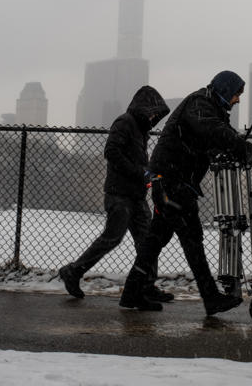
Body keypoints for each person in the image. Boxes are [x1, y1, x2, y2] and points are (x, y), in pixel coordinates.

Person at [119, 71, 252, 315]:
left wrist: (238, 152)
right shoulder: (199, 105)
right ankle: (209, 297)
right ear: (223, 90)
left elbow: (213, 140)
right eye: (235, 94)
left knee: (156, 240)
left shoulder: (209, 107)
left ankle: (132, 292)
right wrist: (247, 151)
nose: (237, 100)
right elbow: (214, 132)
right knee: (191, 239)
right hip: (173, 182)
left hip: (174, 181)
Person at [59, 85, 171, 301]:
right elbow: (111, 151)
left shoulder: (140, 129)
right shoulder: (125, 123)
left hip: (136, 195)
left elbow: (132, 158)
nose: (155, 117)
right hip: (119, 194)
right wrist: (140, 172)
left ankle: (146, 286)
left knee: (148, 241)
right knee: (112, 238)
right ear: (144, 108)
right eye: (153, 112)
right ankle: (73, 270)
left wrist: (147, 172)